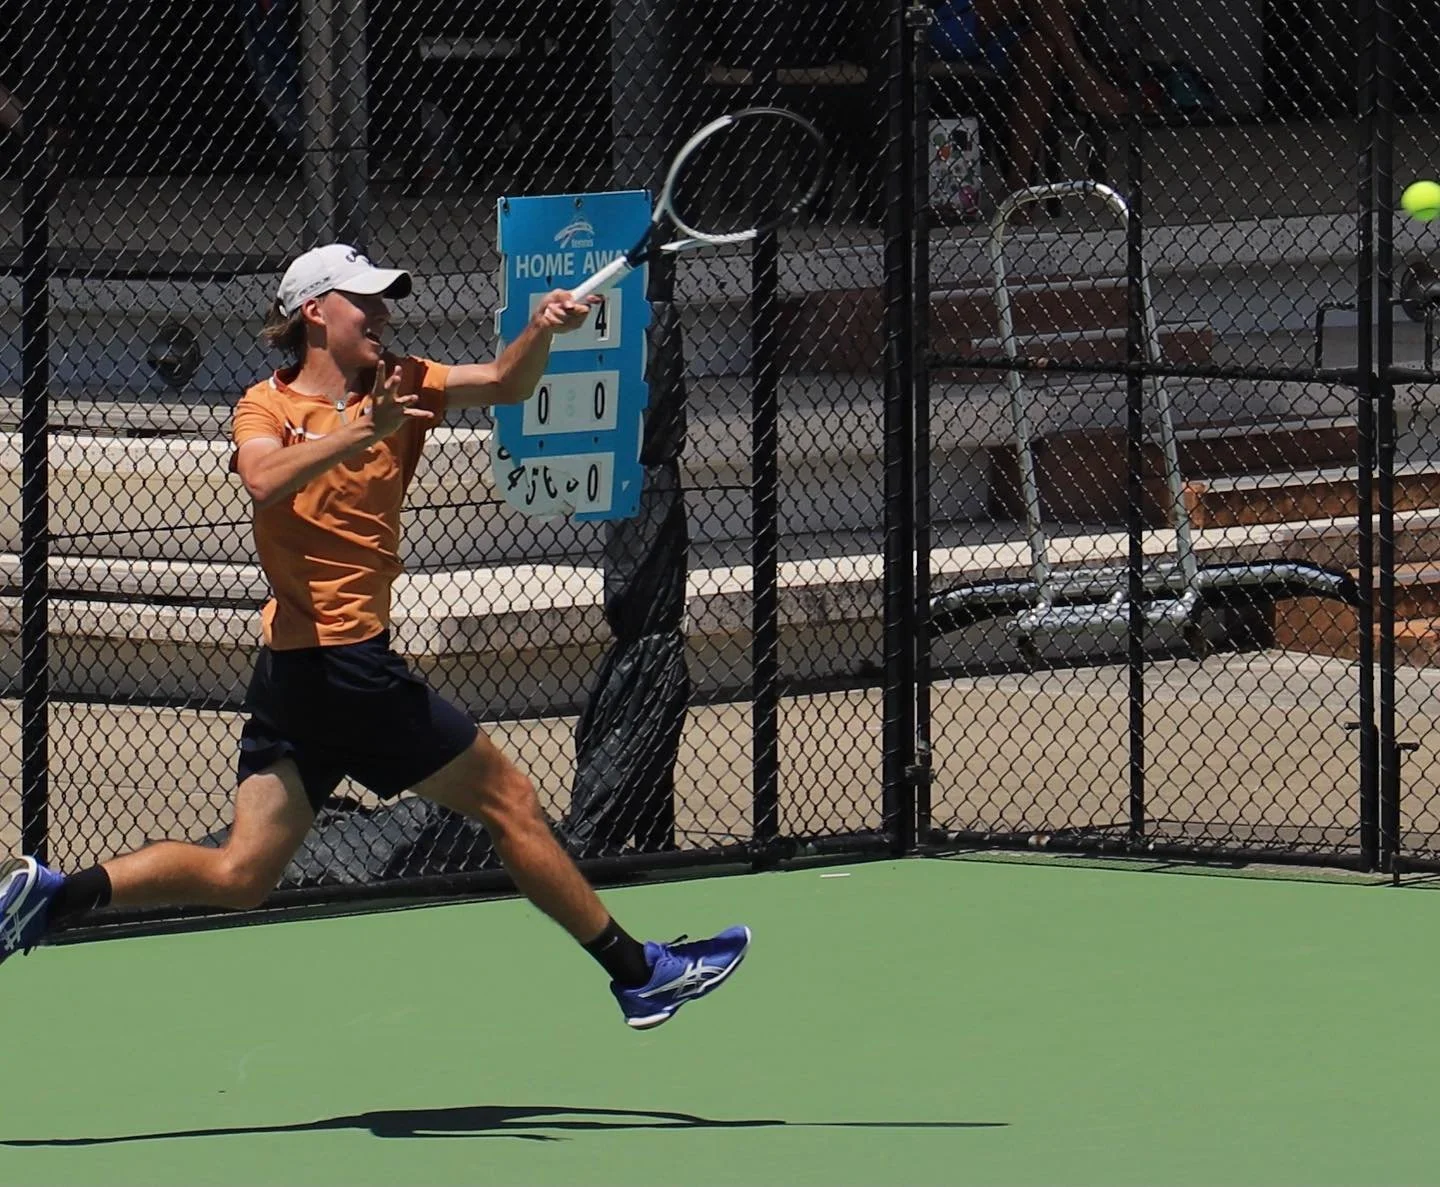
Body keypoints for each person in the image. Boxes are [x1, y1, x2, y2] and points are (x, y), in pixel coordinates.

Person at [0, 243, 751, 1031]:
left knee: (242, 872)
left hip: (298, 679)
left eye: (384, 299)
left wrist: (540, 329)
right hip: (341, 665)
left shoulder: (405, 380)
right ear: (314, 313)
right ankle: (639, 974)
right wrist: (365, 429)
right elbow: (261, 479)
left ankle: (53, 894)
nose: (382, 314)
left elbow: (504, 382)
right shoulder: (266, 406)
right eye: (364, 300)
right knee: (512, 804)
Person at [930, 0, 1132, 201]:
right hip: (953, 22)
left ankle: (1019, 189)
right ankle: (1083, 80)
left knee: (1041, 49)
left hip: (1006, 34)